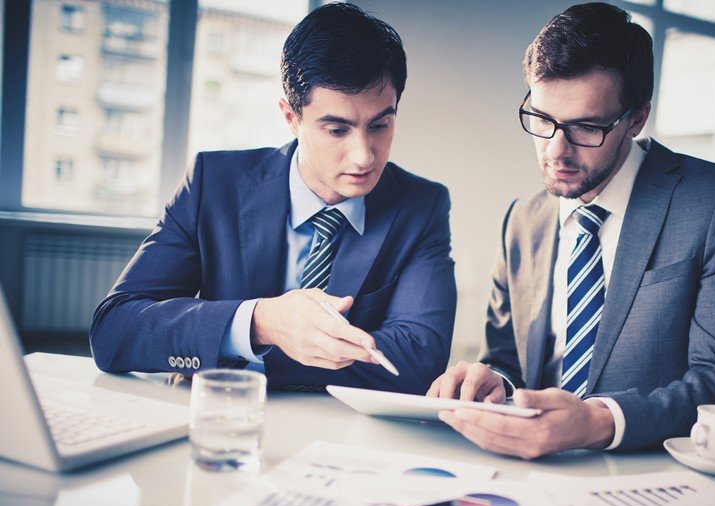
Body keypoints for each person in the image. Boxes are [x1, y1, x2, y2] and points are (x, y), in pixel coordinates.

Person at [429, 2, 715, 458]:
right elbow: (506, 360)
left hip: (651, 477)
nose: (556, 150)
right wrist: (494, 383)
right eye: (542, 121)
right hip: (529, 475)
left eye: (586, 127)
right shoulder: (521, 221)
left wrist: (598, 422)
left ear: (636, 118)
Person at [90, 3, 456, 392]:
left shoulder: (422, 205)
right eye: (336, 130)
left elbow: (420, 359)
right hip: (220, 420)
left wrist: (239, 350)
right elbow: (114, 330)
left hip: (338, 434)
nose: (364, 155)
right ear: (290, 116)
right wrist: (261, 323)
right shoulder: (213, 184)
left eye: (380, 125)